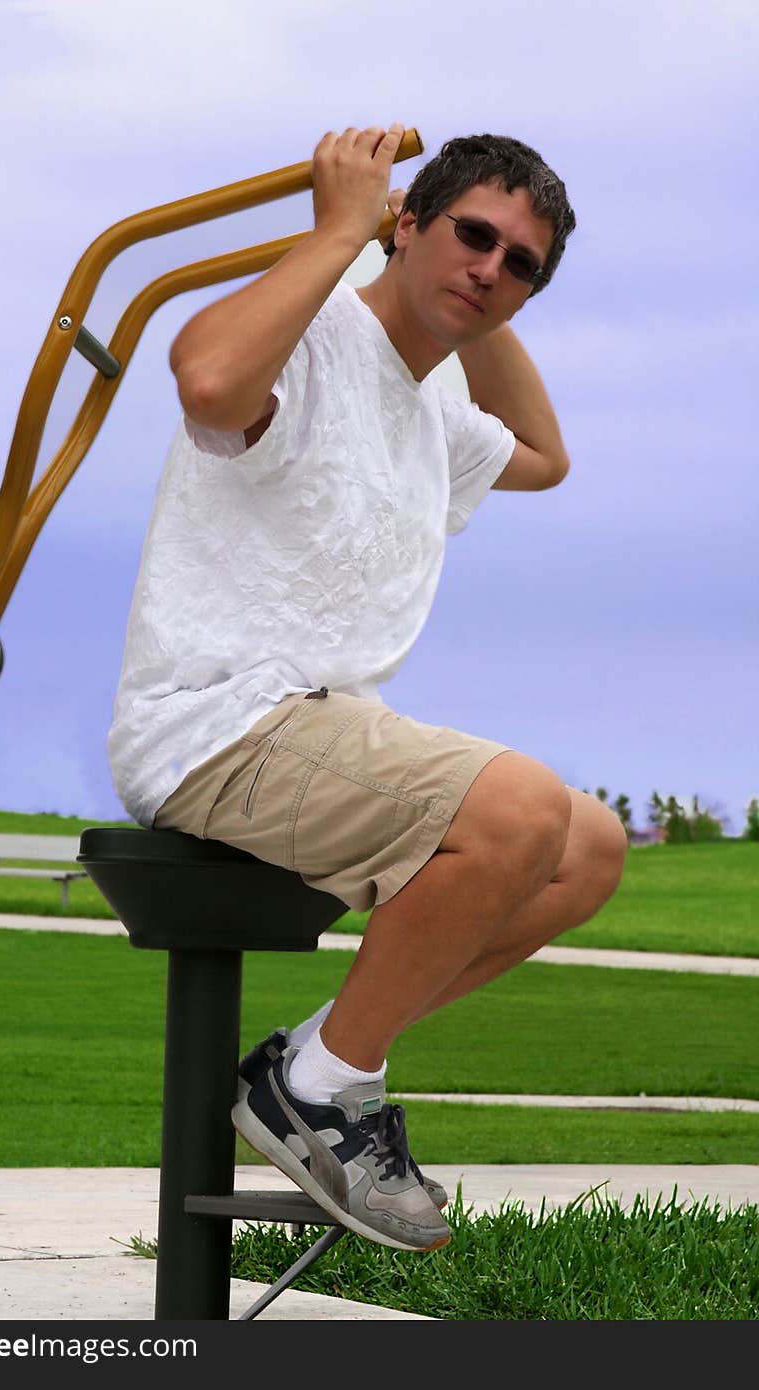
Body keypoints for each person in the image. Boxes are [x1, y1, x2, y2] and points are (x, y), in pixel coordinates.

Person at [107, 125, 628, 1253]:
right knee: (522, 806)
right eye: (470, 235)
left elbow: (544, 453)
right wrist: (340, 232)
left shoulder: (434, 411)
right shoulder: (315, 328)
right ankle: (320, 1092)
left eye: (521, 262)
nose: (491, 265)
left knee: (587, 846)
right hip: (216, 723)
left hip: (320, 727)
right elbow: (203, 378)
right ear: (406, 222)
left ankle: (319, 1064)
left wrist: (474, 308)